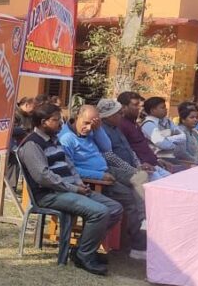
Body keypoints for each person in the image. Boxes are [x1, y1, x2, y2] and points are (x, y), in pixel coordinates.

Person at [17, 103, 122, 275]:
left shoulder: (54, 139)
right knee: (100, 212)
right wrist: (73, 188)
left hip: (70, 188)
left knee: (115, 208)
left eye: (60, 119)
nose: (61, 123)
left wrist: (79, 183)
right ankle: (84, 257)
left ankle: (82, 249)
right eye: (56, 120)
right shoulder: (32, 144)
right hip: (50, 194)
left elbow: (70, 165)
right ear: (43, 122)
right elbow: (44, 177)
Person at [58, 105, 146, 260]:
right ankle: (135, 241)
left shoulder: (92, 130)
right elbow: (69, 169)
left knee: (141, 177)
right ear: (76, 117)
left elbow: (107, 148)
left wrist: (98, 129)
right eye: (86, 123)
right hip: (94, 178)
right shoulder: (67, 138)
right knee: (128, 198)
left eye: (93, 124)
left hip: (107, 169)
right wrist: (99, 176)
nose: (88, 128)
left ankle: (142, 221)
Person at [140, 96, 187, 169]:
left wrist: (166, 138)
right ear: (152, 110)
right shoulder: (148, 124)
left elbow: (183, 137)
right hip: (159, 159)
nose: (166, 109)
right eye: (162, 107)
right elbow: (163, 144)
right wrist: (176, 144)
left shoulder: (167, 121)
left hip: (173, 157)